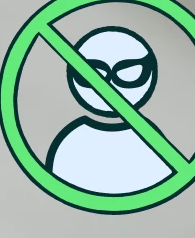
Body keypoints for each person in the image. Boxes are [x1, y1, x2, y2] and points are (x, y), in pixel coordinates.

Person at [46, 26, 171, 194]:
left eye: (129, 71)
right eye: (95, 72)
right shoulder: (71, 145)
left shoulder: (152, 143)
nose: (109, 84)